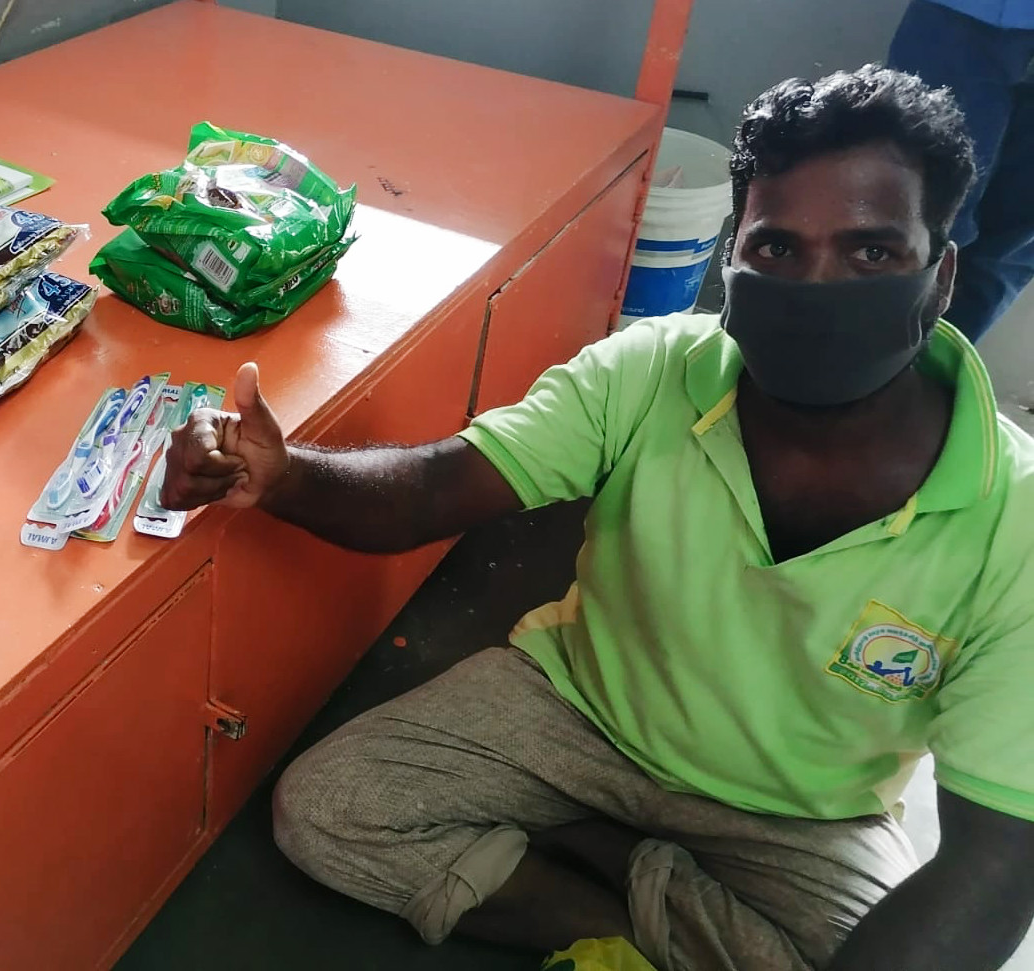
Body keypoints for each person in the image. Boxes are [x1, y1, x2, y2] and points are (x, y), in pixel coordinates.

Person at [160, 66, 1034, 971]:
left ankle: (599, 852)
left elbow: (998, 855)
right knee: (330, 807)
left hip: (802, 812)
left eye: (871, 253)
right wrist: (283, 474)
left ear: (940, 275)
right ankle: (609, 924)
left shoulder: (1015, 518)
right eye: (776, 249)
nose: (818, 286)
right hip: (578, 709)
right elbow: (436, 487)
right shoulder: (648, 368)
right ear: (730, 259)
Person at [889, 0, 1034, 341]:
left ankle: (929, 380)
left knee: (1011, 243)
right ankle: (853, 376)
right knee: (909, 208)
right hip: (965, 14)